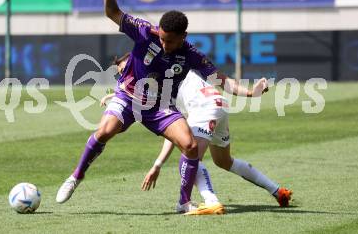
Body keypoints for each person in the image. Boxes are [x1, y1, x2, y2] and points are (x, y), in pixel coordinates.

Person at [55, 0, 269, 214]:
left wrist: (251, 92)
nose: (164, 43)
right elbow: (112, 12)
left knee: (190, 146)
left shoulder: (191, 54)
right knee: (104, 131)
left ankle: (183, 203)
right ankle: (76, 177)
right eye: (162, 38)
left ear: (184, 36)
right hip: (129, 96)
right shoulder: (145, 32)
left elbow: (221, 79)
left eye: (170, 40)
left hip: (160, 107)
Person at [101, 55, 292, 215]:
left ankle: (211, 201)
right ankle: (277, 190)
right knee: (224, 161)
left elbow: (143, 96)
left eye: (125, 69)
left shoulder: (158, 81)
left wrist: (119, 97)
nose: (125, 74)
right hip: (219, 104)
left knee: (190, 159)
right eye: (121, 73)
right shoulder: (168, 72)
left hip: (204, 108)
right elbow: (172, 131)